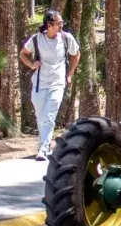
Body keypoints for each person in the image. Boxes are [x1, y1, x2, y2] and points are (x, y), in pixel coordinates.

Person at [19, 11, 81, 161]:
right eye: (59, 23)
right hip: (40, 84)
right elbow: (23, 54)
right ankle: (43, 142)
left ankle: (44, 148)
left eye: (61, 23)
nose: (61, 26)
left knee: (49, 116)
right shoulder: (36, 39)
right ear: (49, 25)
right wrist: (32, 64)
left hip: (57, 83)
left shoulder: (66, 38)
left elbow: (76, 54)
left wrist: (70, 74)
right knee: (41, 117)